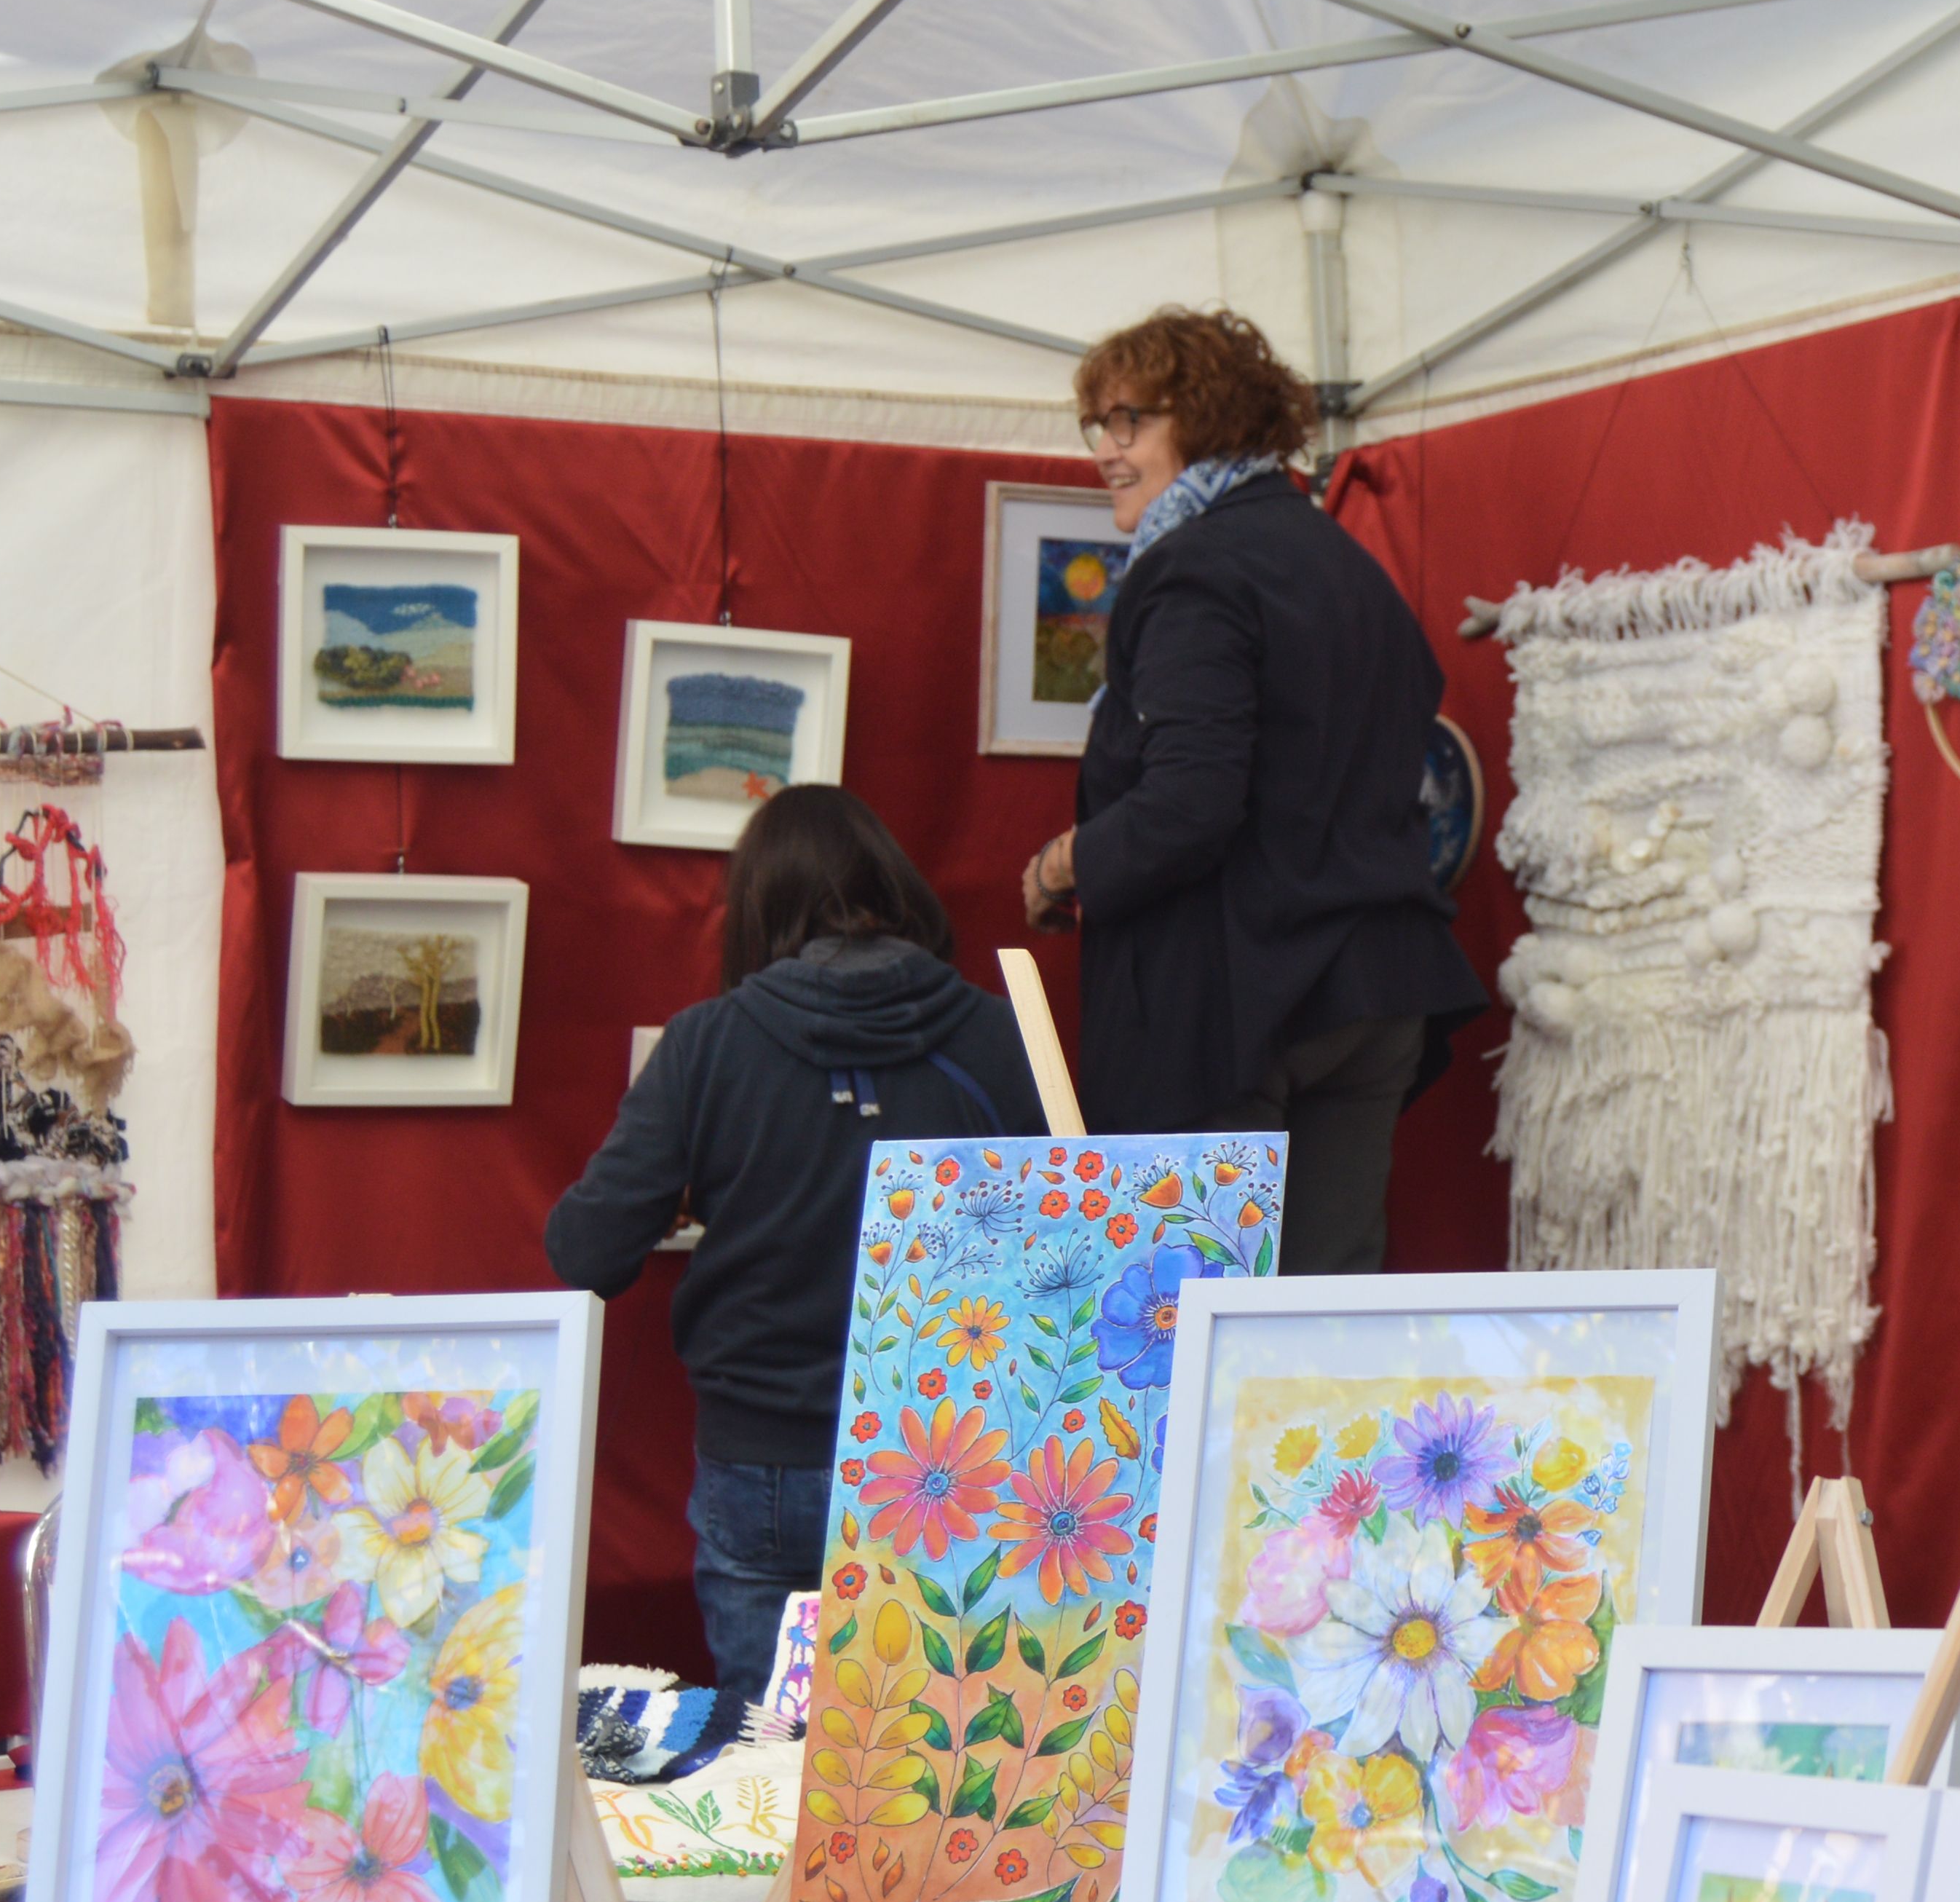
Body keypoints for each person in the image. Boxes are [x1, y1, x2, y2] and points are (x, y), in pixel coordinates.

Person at [546, 786, 1048, 1706]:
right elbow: (1064, 1249)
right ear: (893, 886)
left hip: (762, 1459)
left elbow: (585, 1250)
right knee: (934, 1744)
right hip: (946, 1455)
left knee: (768, 1764)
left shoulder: (708, 1045)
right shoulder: (997, 1032)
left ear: (758, 906)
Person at [1020, 304, 1483, 1274]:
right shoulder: (1350, 570)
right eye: (1096, 426)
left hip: (1240, 1001)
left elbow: (1192, 802)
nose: (1105, 451)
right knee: (1314, 1333)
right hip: (1373, 989)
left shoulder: (1193, 572)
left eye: (1128, 422)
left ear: (1206, 417)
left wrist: (1070, 861)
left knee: (1185, 1325)